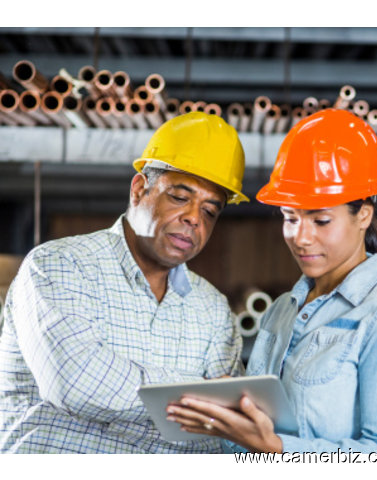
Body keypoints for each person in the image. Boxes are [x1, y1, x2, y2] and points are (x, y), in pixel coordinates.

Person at [166, 109, 377, 454]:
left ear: (364, 215)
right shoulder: (282, 310)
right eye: (290, 218)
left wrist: (277, 449)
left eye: (321, 220)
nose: (301, 238)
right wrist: (232, 406)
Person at [0, 112, 249, 453]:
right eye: (180, 196)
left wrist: (198, 401)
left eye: (210, 210)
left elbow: (224, 428)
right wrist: (201, 392)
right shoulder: (59, 267)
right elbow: (77, 384)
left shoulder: (212, 309)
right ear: (139, 189)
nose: (194, 218)